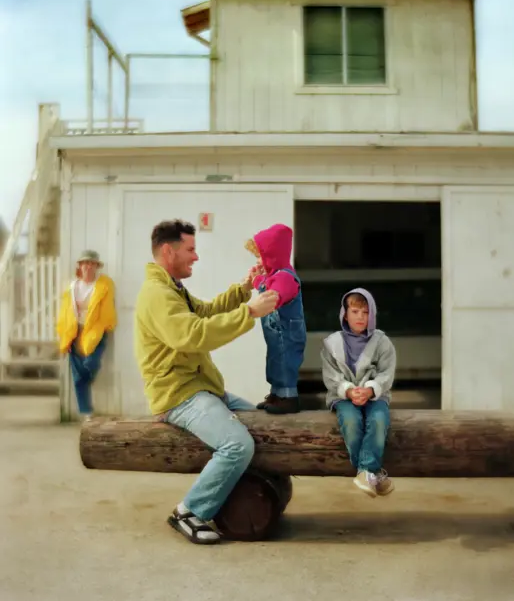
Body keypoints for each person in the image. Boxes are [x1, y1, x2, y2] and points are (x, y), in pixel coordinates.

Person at [134, 219, 279, 545]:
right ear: (168, 251)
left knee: (261, 419)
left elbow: (206, 312)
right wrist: (250, 313)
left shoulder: (173, 288)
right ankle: (190, 511)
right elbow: (193, 334)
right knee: (237, 445)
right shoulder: (157, 294)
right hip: (178, 395)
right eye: (191, 249)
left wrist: (244, 290)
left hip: (202, 389)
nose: (196, 257)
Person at [321, 288, 396, 498]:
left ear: (372, 314)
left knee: (379, 420)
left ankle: (366, 471)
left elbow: (386, 374)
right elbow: (331, 376)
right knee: (352, 421)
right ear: (345, 314)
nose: (360, 317)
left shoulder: (382, 343)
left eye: (365, 312)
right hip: (343, 396)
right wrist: (349, 390)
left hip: (375, 395)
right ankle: (373, 472)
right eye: (355, 311)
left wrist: (371, 389)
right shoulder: (331, 343)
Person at [245, 223, 306, 414]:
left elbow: (275, 294)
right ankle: (277, 393)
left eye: (261, 257)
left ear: (272, 256)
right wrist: (257, 280)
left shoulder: (286, 277)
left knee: (285, 363)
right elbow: (267, 285)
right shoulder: (275, 275)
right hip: (277, 333)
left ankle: (288, 397)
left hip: (287, 332)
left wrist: (263, 288)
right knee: (275, 361)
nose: (259, 262)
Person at [57, 250, 117, 421]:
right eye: (85, 263)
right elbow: (65, 314)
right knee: (78, 377)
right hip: (76, 332)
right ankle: (86, 412)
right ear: (80, 266)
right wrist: (65, 338)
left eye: (92, 264)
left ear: (97, 267)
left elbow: (106, 311)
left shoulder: (103, 286)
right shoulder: (72, 288)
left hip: (96, 331)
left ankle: (87, 377)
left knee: (91, 364)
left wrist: (106, 326)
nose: (88, 267)